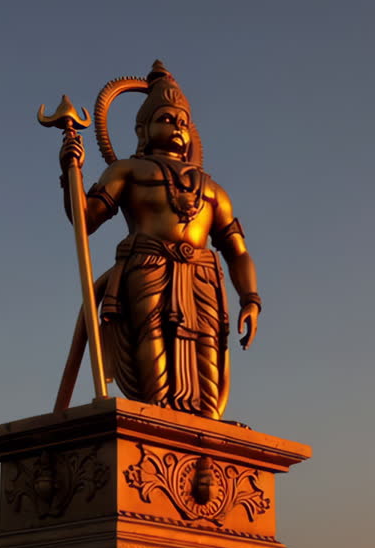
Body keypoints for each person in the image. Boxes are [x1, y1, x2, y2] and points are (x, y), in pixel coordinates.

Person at [60, 62, 261, 421]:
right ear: (142, 129)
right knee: (151, 334)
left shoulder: (213, 190)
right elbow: (85, 220)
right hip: (146, 266)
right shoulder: (126, 171)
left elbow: (237, 252)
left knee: (207, 343)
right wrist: (70, 173)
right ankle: (157, 413)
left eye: (183, 122)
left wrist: (250, 298)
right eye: (167, 119)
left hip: (202, 276)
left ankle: (207, 420)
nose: (177, 128)